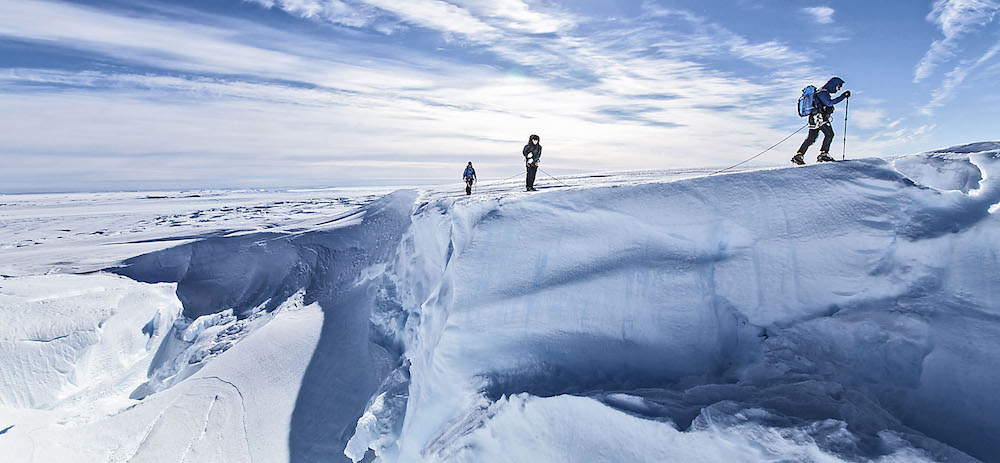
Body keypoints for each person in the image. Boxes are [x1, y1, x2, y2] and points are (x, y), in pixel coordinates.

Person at [792, 77, 851, 165]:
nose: (839, 89)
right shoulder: (823, 92)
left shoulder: (821, 92)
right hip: (819, 117)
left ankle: (799, 155)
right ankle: (823, 154)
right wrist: (842, 97)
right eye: (839, 86)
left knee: (811, 138)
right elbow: (829, 103)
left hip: (813, 118)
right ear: (834, 84)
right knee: (829, 134)